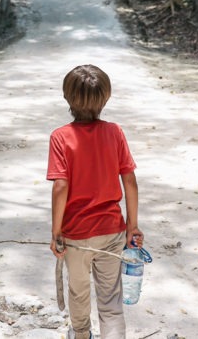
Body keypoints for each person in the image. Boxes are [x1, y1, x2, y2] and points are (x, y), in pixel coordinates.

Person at [48, 64, 143, 339]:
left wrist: (57, 232)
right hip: (112, 232)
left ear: (67, 97)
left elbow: (60, 186)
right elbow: (130, 182)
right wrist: (132, 227)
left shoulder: (60, 137)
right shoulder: (114, 132)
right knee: (111, 302)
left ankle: (81, 334)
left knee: (78, 293)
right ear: (106, 98)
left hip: (76, 235)